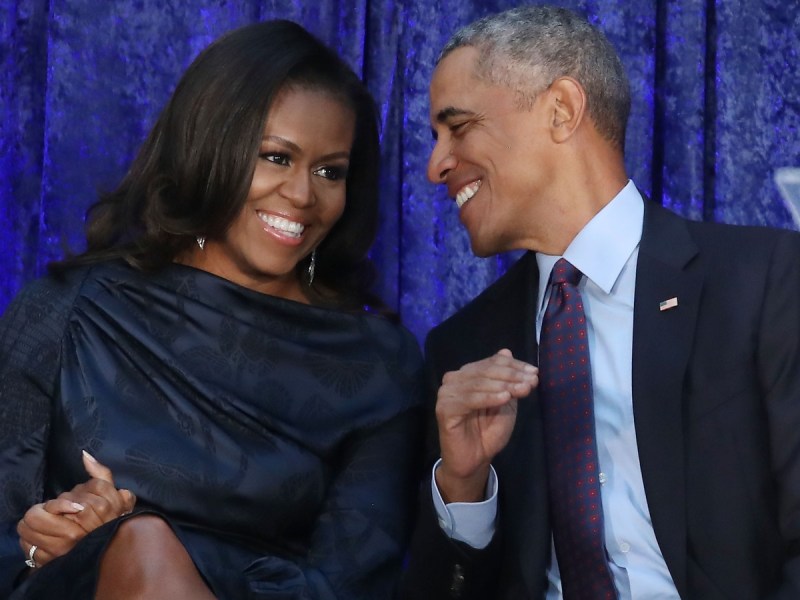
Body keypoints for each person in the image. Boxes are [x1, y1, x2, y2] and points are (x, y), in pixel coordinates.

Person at [0, 19, 424, 599]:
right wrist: (50, 538)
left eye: (330, 171)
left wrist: (154, 549)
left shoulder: (379, 365)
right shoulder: (68, 310)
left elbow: (352, 584)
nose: (303, 194)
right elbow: (6, 534)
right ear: (208, 148)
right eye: (276, 158)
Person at [400, 5, 800, 600]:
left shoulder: (763, 281)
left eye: (458, 128)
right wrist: (464, 484)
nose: (435, 166)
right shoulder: (464, 350)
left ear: (560, 109)